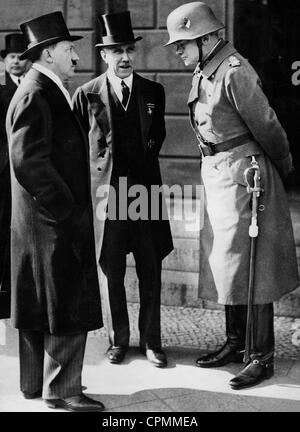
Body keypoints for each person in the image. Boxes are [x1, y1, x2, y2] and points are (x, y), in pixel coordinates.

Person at [165, 2, 299, 389]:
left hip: (246, 179)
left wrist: (283, 165)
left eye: (183, 43)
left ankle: (261, 357)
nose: (178, 51)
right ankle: (235, 342)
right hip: (219, 176)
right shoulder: (207, 68)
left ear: (207, 38)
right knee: (227, 264)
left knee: (253, 267)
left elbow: (267, 125)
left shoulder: (235, 71)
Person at [6, 11, 104, 411]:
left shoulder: (42, 86)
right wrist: (67, 209)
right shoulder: (36, 92)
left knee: (36, 303)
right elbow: (28, 161)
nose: (76, 57)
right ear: (48, 54)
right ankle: (63, 391)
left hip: (38, 222)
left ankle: (34, 385)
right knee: (64, 302)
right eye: (68, 50)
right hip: (51, 221)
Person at [73, 11, 173, 368]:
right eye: (117, 51)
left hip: (144, 195)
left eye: (129, 49)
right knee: (110, 270)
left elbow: (157, 137)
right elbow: (76, 149)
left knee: (151, 267)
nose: (125, 57)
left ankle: (152, 341)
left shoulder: (153, 92)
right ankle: (118, 340)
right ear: (104, 55)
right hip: (108, 198)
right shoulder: (86, 95)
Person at [0, 33, 28, 320]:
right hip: (2, 171)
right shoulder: (0, 87)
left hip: (24, 169)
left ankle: (19, 290)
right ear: (3, 60)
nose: (17, 62)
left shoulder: (34, 86)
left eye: (21, 57)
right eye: (12, 57)